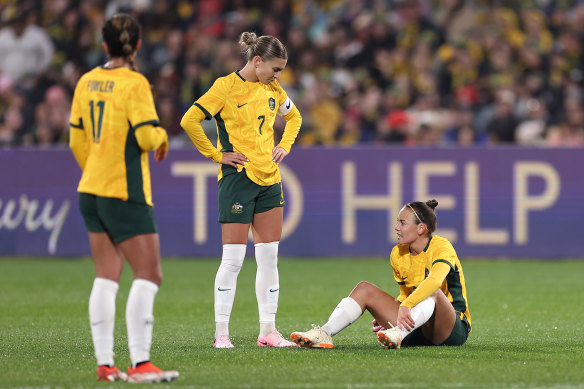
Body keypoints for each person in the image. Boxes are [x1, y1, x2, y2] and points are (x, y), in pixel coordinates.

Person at [68, 13, 178, 383]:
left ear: (104, 46)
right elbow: (147, 138)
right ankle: (141, 363)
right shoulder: (135, 83)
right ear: (139, 45)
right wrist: (163, 137)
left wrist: (94, 169)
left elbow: (75, 140)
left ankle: (105, 364)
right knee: (149, 274)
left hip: (91, 189)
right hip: (124, 191)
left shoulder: (87, 81)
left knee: (107, 275)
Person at [180, 32, 302, 348]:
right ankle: (222, 334)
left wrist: (285, 145)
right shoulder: (225, 88)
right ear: (257, 60)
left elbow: (295, 117)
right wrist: (216, 154)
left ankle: (268, 331)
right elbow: (190, 120)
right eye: (275, 69)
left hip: (270, 180)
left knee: (269, 259)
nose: (278, 76)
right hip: (238, 179)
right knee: (233, 261)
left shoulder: (273, 88)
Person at [291, 200, 471, 349]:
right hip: (416, 326)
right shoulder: (398, 253)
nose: (396, 228)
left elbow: (434, 281)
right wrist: (387, 314)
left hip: (451, 328)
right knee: (364, 289)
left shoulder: (441, 247)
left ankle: (398, 333)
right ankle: (325, 333)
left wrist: (406, 306)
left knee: (432, 290)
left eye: (402, 223)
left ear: (421, 229)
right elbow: (404, 295)